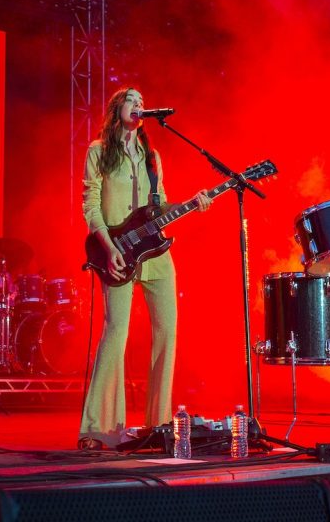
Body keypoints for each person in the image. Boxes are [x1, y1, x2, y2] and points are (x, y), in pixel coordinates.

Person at [78, 87, 211, 450]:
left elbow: (159, 204)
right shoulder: (98, 151)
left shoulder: (152, 156)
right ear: (116, 108)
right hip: (116, 250)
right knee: (116, 332)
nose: (138, 105)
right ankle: (97, 428)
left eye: (141, 101)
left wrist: (192, 203)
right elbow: (90, 205)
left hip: (156, 255)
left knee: (167, 332)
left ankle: (160, 425)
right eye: (131, 100)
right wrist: (108, 246)